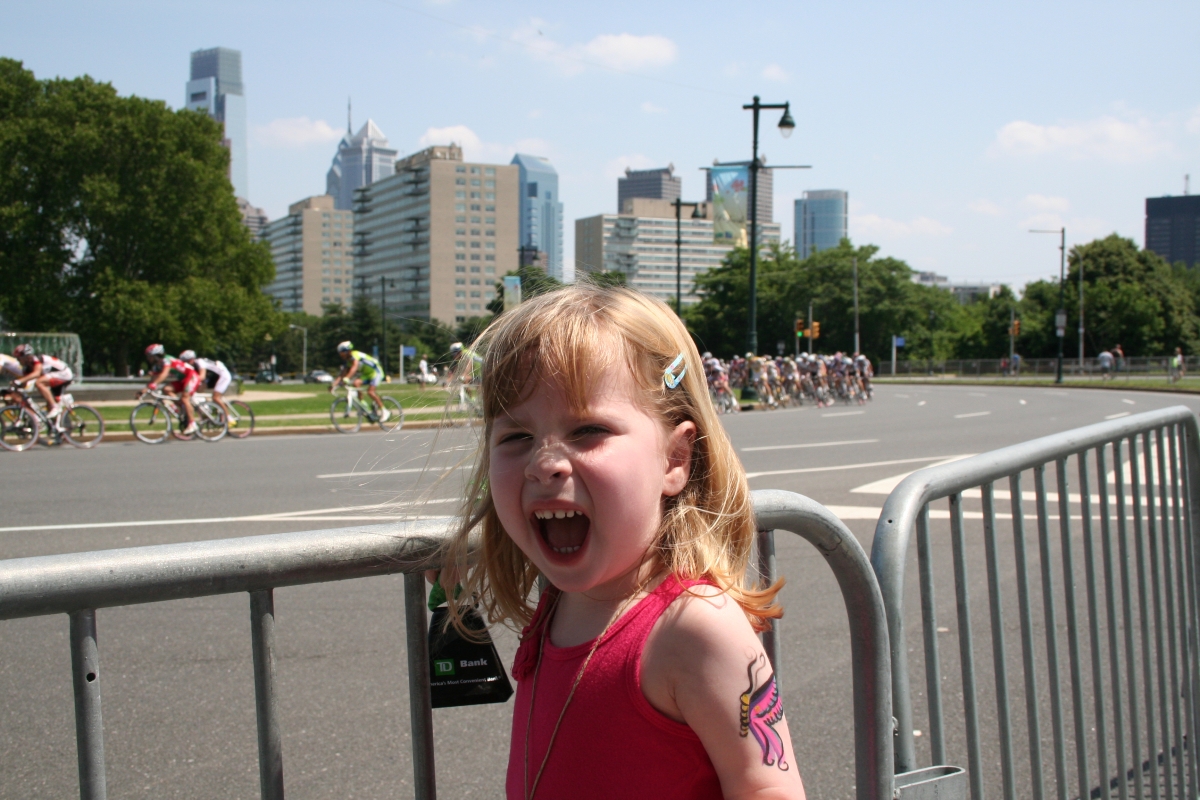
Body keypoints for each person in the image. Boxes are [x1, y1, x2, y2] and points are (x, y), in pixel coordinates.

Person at [436, 285, 805, 800]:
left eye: (587, 430)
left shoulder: (694, 627)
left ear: (674, 460)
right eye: (515, 437)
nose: (545, 464)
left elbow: (768, 786)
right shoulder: (561, 595)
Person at [142, 344, 198, 435]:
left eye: (150, 356)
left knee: (185, 398)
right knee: (166, 389)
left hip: (191, 376)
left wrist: (153, 385)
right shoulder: (157, 365)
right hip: (183, 379)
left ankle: (193, 424)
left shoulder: (167, 360)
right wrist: (143, 390)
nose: (148, 359)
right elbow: (153, 379)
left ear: (156, 355)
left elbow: (164, 374)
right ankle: (182, 407)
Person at [10, 343, 74, 420]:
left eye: (19, 358)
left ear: (26, 357)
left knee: (39, 382)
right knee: (49, 408)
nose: (18, 361)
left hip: (64, 373)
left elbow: (36, 373)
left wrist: (19, 381)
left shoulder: (36, 359)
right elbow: (25, 383)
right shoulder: (26, 368)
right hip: (55, 376)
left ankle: (55, 406)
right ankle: (56, 426)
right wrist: (14, 390)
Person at [331, 341, 388, 421]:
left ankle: (385, 411)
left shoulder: (355, 355)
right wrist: (333, 385)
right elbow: (341, 375)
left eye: (342, 353)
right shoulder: (348, 361)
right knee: (356, 383)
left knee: (370, 392)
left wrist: (347, 378)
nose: (341, 355)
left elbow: (354, 367)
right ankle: (363, 405)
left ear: (347, 351)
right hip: (367, 374)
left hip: (376, 372)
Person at [180, 350, 234, 423]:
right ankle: (207, 407)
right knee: (199, 390)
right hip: (214, 377)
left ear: (191, 359)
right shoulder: (193, 366)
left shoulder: (199, 362)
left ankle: (229, 418)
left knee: (216, 397)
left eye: (186, 362)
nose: (185, 364)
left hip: (223, 375)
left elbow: (202, 376)